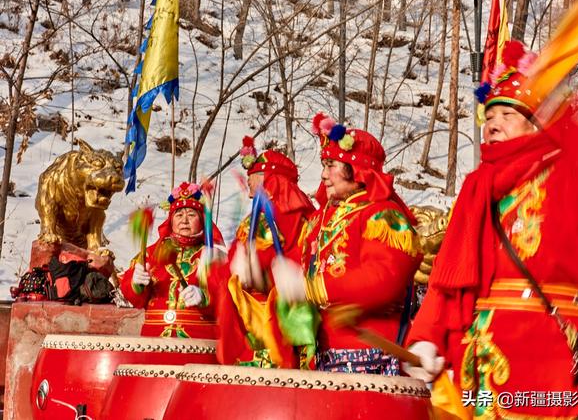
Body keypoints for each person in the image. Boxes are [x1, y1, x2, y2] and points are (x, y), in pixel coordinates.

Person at [405, 41, 578, 418]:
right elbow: (449, 281)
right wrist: (426, 338)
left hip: (550, 359)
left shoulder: (568, 172)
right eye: (490, 114)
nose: (492, 123)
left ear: (537, 121)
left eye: (506, 114)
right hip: (482, 363)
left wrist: (567, 119)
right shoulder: (477, 189)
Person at [273, 113, 422, 375]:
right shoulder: (320, 219)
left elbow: (385, 277)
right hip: (321, 353)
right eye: (323, 165)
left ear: (357, 169)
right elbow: (298, 272)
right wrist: (262, 275)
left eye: (331, 165)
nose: (323, 174)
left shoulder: (381, 214)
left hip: (369, 353)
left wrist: (316, 288)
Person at [216, 137, 316, 367]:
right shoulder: (249, 223)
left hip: (282, 320)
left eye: (253, 177)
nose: (248, 185)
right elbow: (231, 269)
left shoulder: (300, 221)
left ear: (270, 181)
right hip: (248, 320)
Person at [120, 181, 225, 339]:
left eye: (191, 215)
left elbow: (229, 297)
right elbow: (134, 298)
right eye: (178, 215)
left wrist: (204, 297)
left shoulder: (215, 257)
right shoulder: (151, 254)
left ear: (202, 220)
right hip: (154, 341)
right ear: (171, 220)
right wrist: (136, 284)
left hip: (198, 342)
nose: (184, 221)